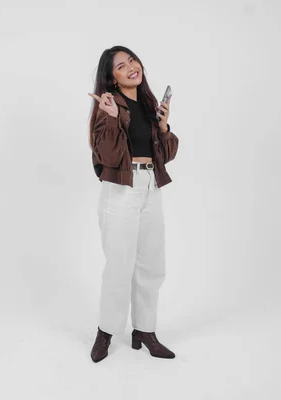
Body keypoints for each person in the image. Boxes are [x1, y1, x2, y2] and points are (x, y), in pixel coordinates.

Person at [87, 45, 179, 363]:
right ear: (111, 79)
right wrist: (112, 118)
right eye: (121, 66)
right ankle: (106, 331)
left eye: (132, 60)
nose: (131, 67)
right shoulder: (110, 106)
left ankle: (145, 330)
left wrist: (164, 127)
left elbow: (165, 155)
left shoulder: (149, 104)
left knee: (152, 265)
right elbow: (108, 157)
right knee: (119, 266)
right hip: (121, 191)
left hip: (151, 186)